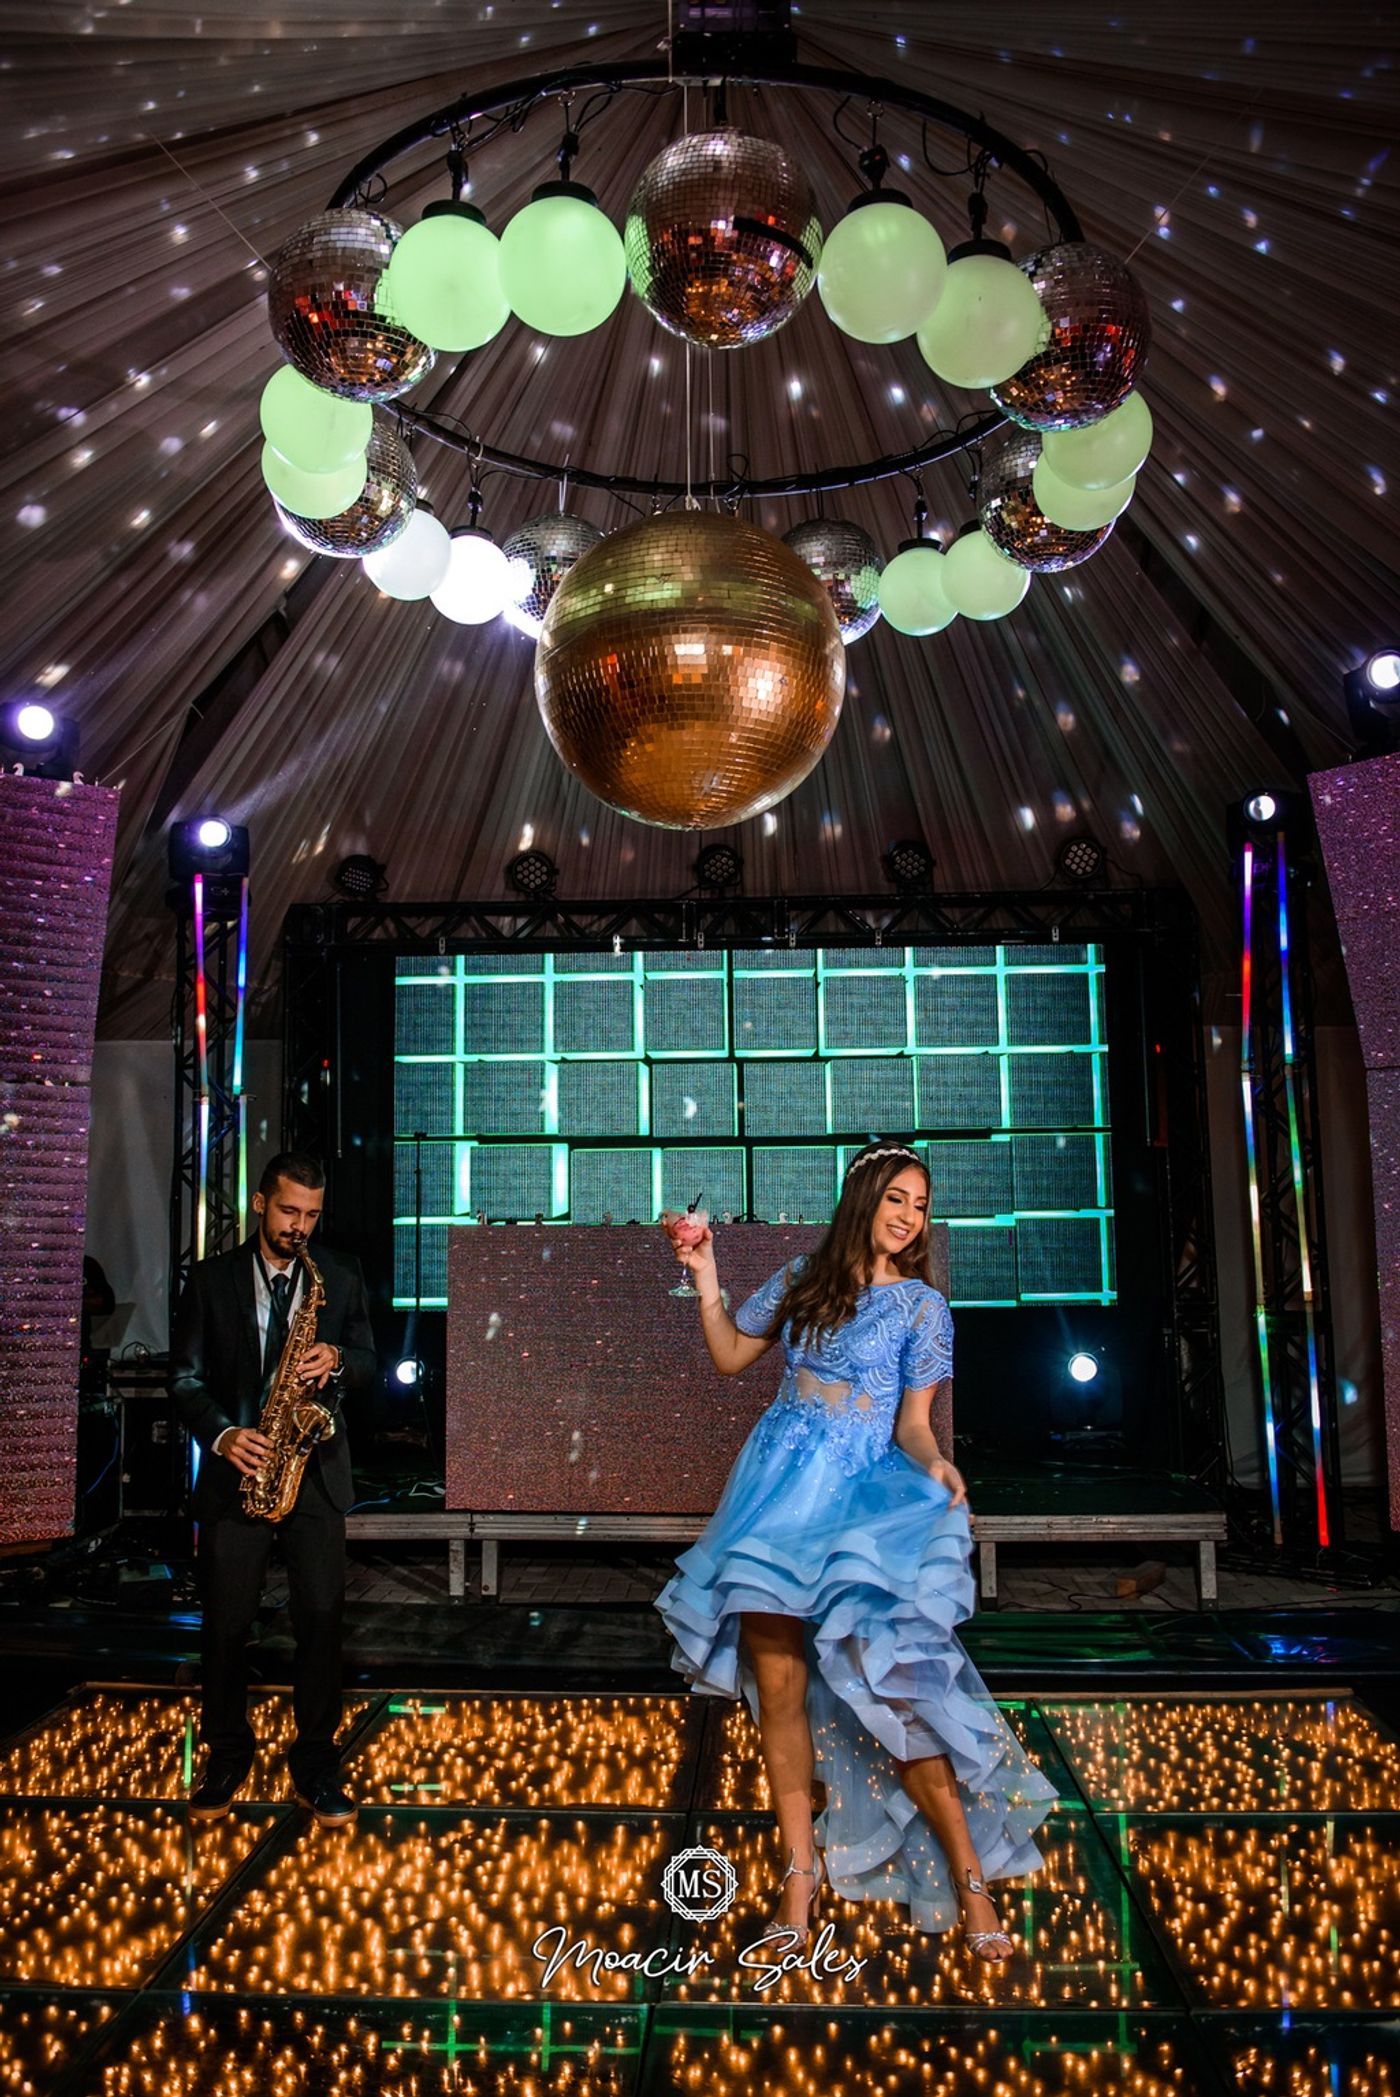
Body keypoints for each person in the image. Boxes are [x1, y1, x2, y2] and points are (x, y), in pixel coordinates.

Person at [654, 1139, 1057, 1961]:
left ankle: (971, 1879)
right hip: (773, 1501)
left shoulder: (923, 1308)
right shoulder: (804, 1275)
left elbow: (912, 1425)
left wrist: (936, 1462)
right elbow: (731, 1356)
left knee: (895, 1693)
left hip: (856, 1508)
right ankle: (799, 1879)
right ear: (865, 1197)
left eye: (921, 1205)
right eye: (897, 1198)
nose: (910, 1217)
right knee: (779, 1691)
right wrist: (705, 1273)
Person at [170, 1151, 376, 1827]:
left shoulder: (338, 1274)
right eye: (289, 1211)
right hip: (240, 1470)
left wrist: (337, 1359)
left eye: (312, 1215)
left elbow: (369, 1361)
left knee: (320, 1622)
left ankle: (315, 1764)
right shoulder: (210, 1279)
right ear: (260, 1204)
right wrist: (225, 1435)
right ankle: (227, 1756)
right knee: (227, 1626)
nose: (300, 1227)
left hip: (313, 1472)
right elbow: (183, 1380)